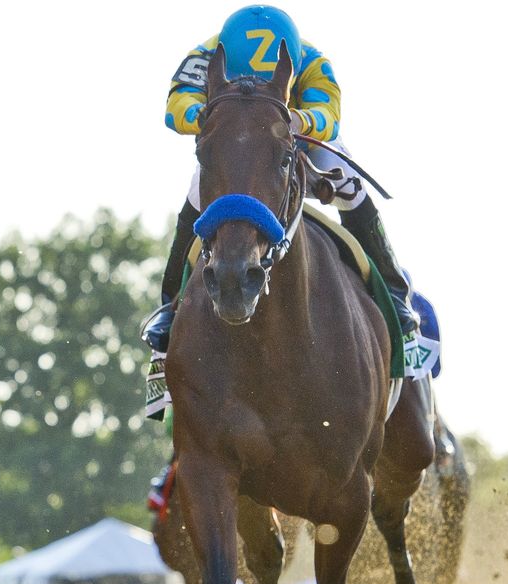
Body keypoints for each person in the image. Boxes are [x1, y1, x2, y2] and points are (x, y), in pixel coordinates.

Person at [142, 4, 419, 353]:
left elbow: (328, 115)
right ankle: (170, 305)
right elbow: (176, 107)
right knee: (196, 194)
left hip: (294, 135)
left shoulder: (313, 60)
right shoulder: (207, 54)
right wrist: (210, 116)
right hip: (235, 140)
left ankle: (394, 291)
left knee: (349, 183)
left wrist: (296, 122)